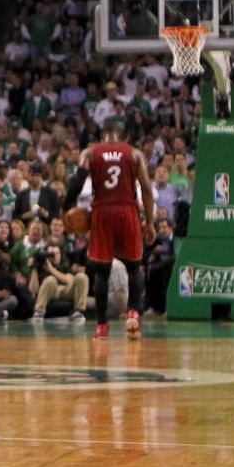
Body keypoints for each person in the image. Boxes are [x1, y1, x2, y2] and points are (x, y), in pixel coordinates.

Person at [66, 124, 154, 339]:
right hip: (127, 210)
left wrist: (65, 207)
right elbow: (147, 189)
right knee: (134, 267)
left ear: (100, 136)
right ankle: (133, 312)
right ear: (125, 136)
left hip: (102, 211)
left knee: (102, 271)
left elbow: (77, 181)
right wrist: (149, 221)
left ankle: (102, 326)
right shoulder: (134, 153)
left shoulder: (90, 152)